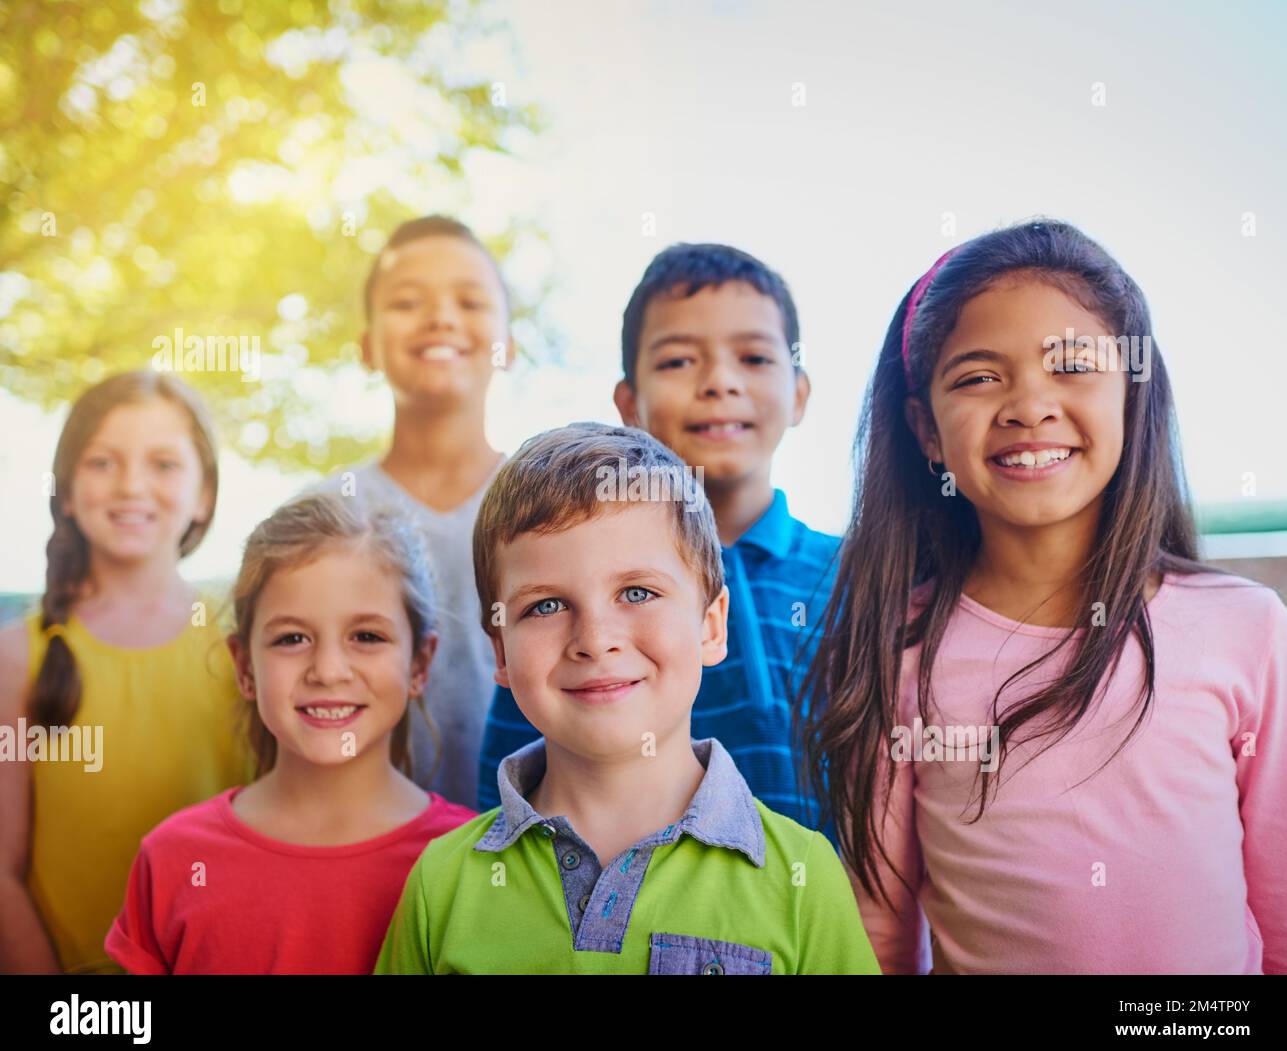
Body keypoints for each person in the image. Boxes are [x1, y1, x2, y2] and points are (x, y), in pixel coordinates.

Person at [800, 219, 1287, 974]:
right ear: (924, 430)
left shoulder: (1245, 627)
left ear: (1133, 396)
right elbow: (881, 933)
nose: (1028, 405)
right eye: (976, 377)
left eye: (1072, 366)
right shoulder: (897, 648)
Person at [376, 424, 877, 974]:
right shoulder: (441, 884)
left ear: (711, 627)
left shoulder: (803, 876)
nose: (594, 639)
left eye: (637, 593)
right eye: (545, 606)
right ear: (500, 650)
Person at [477, 244, 837, 837]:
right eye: (677, 362)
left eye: (752, 357)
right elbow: (503, 804)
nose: (719, 383)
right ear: (629, 405)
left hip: (818, 909)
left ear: (798, 395)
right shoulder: (555, 612)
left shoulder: (852, 575)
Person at [104, 494, 476, 974]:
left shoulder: (471, 864)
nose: (327, 671)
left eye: (366, 636)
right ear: (244, 667)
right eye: (292, 639)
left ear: (419, 664)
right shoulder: (172, 858)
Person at [0, 370, 250, 974]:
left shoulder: (247, 640)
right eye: (103, 462)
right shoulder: (17, 656)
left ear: (204, 494)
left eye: (163, 464)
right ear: (65, 489)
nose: (132, 485)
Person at [318, 215, 514, 809]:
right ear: (367, 347)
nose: (442, 319)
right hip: (363, 852)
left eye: (470, 301)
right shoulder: (323, 516)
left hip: (540, 862)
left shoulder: (559, 505)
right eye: (408, 302)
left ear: (511, 343)